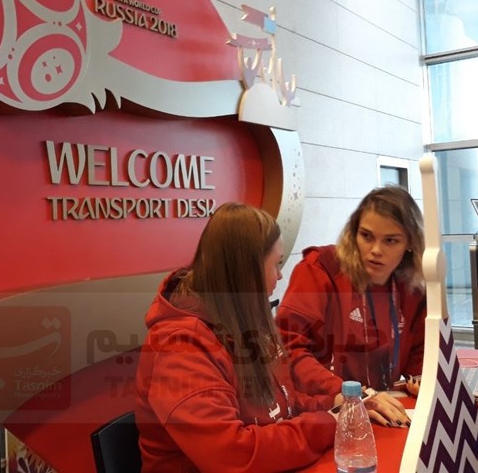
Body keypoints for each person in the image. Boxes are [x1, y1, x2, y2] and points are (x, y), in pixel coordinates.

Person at [135, 202, 339, 472]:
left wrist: (335, 406)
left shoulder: (240, 320)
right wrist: (327, 425)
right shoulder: (179, 347)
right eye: (276, 264)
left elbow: (280, 403)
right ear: (246, 274)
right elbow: (231, 455)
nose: (280, 276)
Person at [276, 186, 426, 426]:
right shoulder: (320, 268)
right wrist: (353, 395)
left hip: (381, 409)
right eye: (366, 236)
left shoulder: (414, 286)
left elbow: (421, 353)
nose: (375, 250)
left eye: (390, 240)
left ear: (410, 242)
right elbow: (288, 349)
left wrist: (420, 380)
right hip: (321, 411)